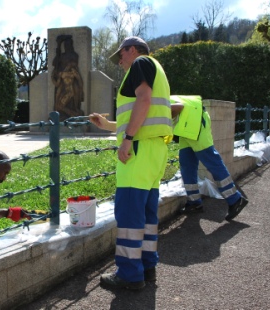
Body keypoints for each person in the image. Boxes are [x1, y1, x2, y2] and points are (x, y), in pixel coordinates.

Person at [89, 36, 173, 290]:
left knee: (128, 214)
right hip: (154, 150)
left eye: (121, 55)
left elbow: (144, 101)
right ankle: (147, 268)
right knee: (146, 215)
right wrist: (108, 126)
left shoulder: (141, 64)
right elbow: (143, 113)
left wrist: (127, 139)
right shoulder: (157, 69)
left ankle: (128, 274)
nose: (120, 61)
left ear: (132, 50)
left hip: (138, 150)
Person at [170, 95, 248, 221]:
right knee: (187, 165)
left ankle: (235, 199)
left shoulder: (156, 102)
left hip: (195, 124)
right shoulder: (157, 100)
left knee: (212, 162)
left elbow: (179, 106)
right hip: (186, 127)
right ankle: (194, 202)